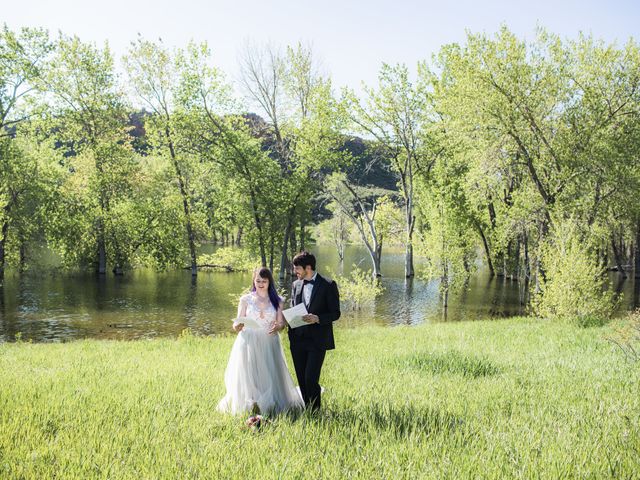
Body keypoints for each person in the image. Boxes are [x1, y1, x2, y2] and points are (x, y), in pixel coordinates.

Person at [217, 267, 303, 415]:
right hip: (248, 340)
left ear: (269, 282)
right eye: (258, 281)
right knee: (249, 371)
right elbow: (236, 322)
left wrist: (278, 327)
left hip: (269, 340)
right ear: (253, 281)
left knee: (269, 373)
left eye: (264, 281)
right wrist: (237, 325)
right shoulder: (245, 299)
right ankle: (250, 402)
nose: (261, 284)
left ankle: (269, 404)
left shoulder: (278, 300)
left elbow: (281, 323)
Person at [270, 251, 340, 411]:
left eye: (297, 269)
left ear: (308, 267)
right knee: (301, 379)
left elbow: (336, 313)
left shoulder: (328, 285)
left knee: (310, 378)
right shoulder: (296, 285)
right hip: (297, 339)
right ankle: (307, 410)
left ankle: (316, 412)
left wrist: (318, 318)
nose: (295, 272)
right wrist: (285, 320)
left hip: (318, 341)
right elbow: (296, 308)